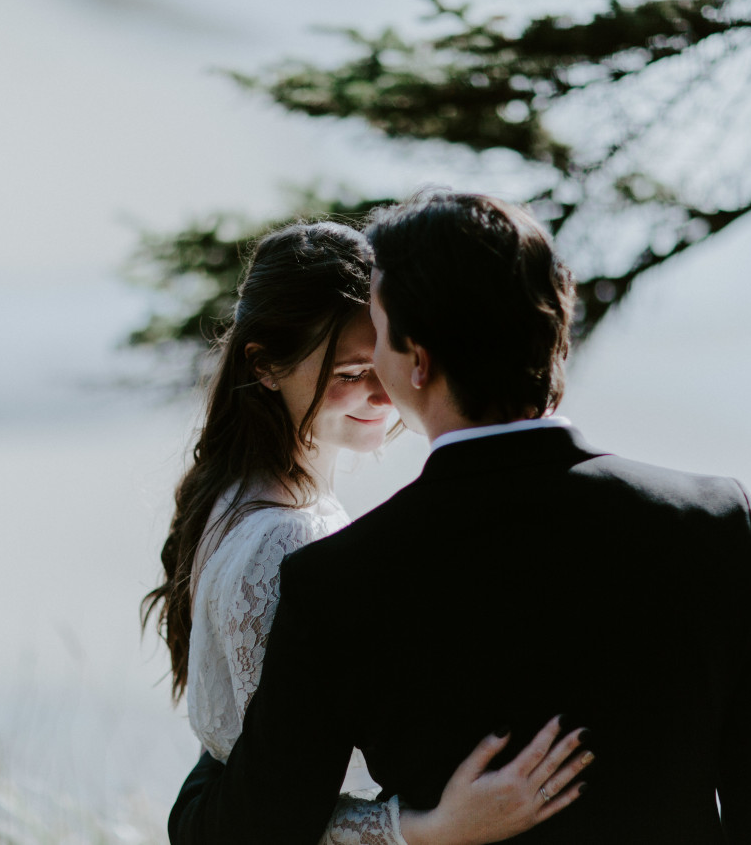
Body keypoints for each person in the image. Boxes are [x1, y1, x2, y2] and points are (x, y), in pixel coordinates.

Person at [166, 193, 751, 844]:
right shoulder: (713, 523)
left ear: (415, 361)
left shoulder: (336, 580)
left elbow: (252, 826)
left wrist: (200, 789)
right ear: (554, 333)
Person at [142, 221, 593, 845]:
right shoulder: (285, 539)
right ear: (266, 366)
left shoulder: (238, 488)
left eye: (385, 357)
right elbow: (273, 808)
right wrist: (434, 827)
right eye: (349, 373)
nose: (382, 393)